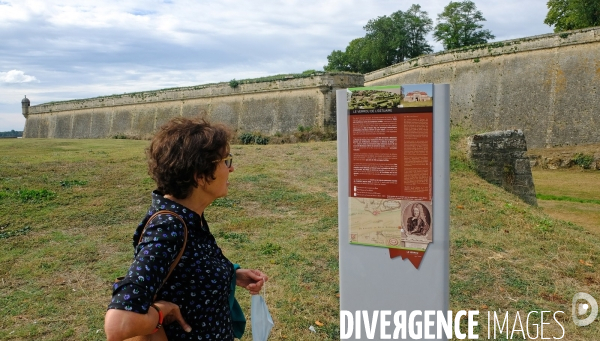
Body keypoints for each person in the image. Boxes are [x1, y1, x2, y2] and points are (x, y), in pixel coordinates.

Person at [104, 117, 268, 341]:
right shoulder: (168, 228)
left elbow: (186, 275)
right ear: (199, 176)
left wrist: (232, 275)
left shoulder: (190, 215)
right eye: (225, 161)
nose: (231, 168)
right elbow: (120, 324)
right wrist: (161, 311)